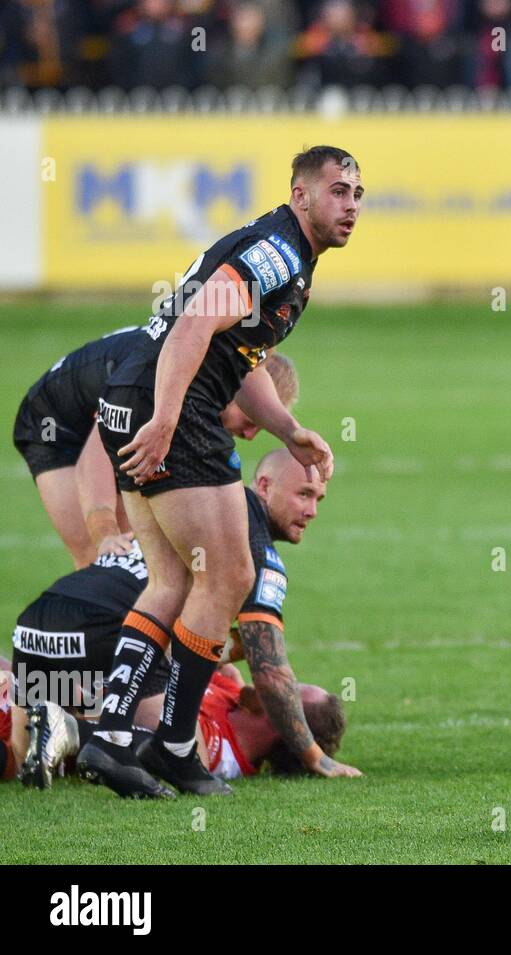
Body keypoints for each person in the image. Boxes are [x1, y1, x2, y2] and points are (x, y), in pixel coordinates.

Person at [77, 146, 362, 799]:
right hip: (171, 404)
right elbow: (198, 320)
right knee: (230, 573)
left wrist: (290, 430)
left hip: (135, 393)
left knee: (174, 577)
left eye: (358, 194)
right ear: (301, 195)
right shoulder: (278, 253)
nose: (350, 205)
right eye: (338, 190)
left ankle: (110, 736)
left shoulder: (292, 259)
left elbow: (244, 355)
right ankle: (176, 744)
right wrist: (169, 418)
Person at [7, 448, 360, 793]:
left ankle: (60, 720)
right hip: (103, 633)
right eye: (304, 494)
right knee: (179, 742)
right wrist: (315, 757)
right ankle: (74, 729)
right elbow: (270, 671)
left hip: (37, 629)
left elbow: (203, 643)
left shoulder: (196, 500)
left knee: (20, 753)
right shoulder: (256, 549)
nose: (312, 511)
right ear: (264, 486)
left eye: (319, 500)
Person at [14, 324, 298, 569]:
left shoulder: (206, 381)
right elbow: (93, 463)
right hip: (55, 423)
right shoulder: (167, 384)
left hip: (117, 413)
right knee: (103, 559)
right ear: (237, 389)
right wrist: (105, 533)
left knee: (139, 558)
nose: (250, 436)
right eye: (251, 420)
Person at [19, 667, 347, 790]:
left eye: (289, 689)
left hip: (39, 720)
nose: (279, 678)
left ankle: (68, 730)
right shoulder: (234, 694)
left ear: (282, 724)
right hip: (58, 685)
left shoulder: (215, 755)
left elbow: (148, 698)